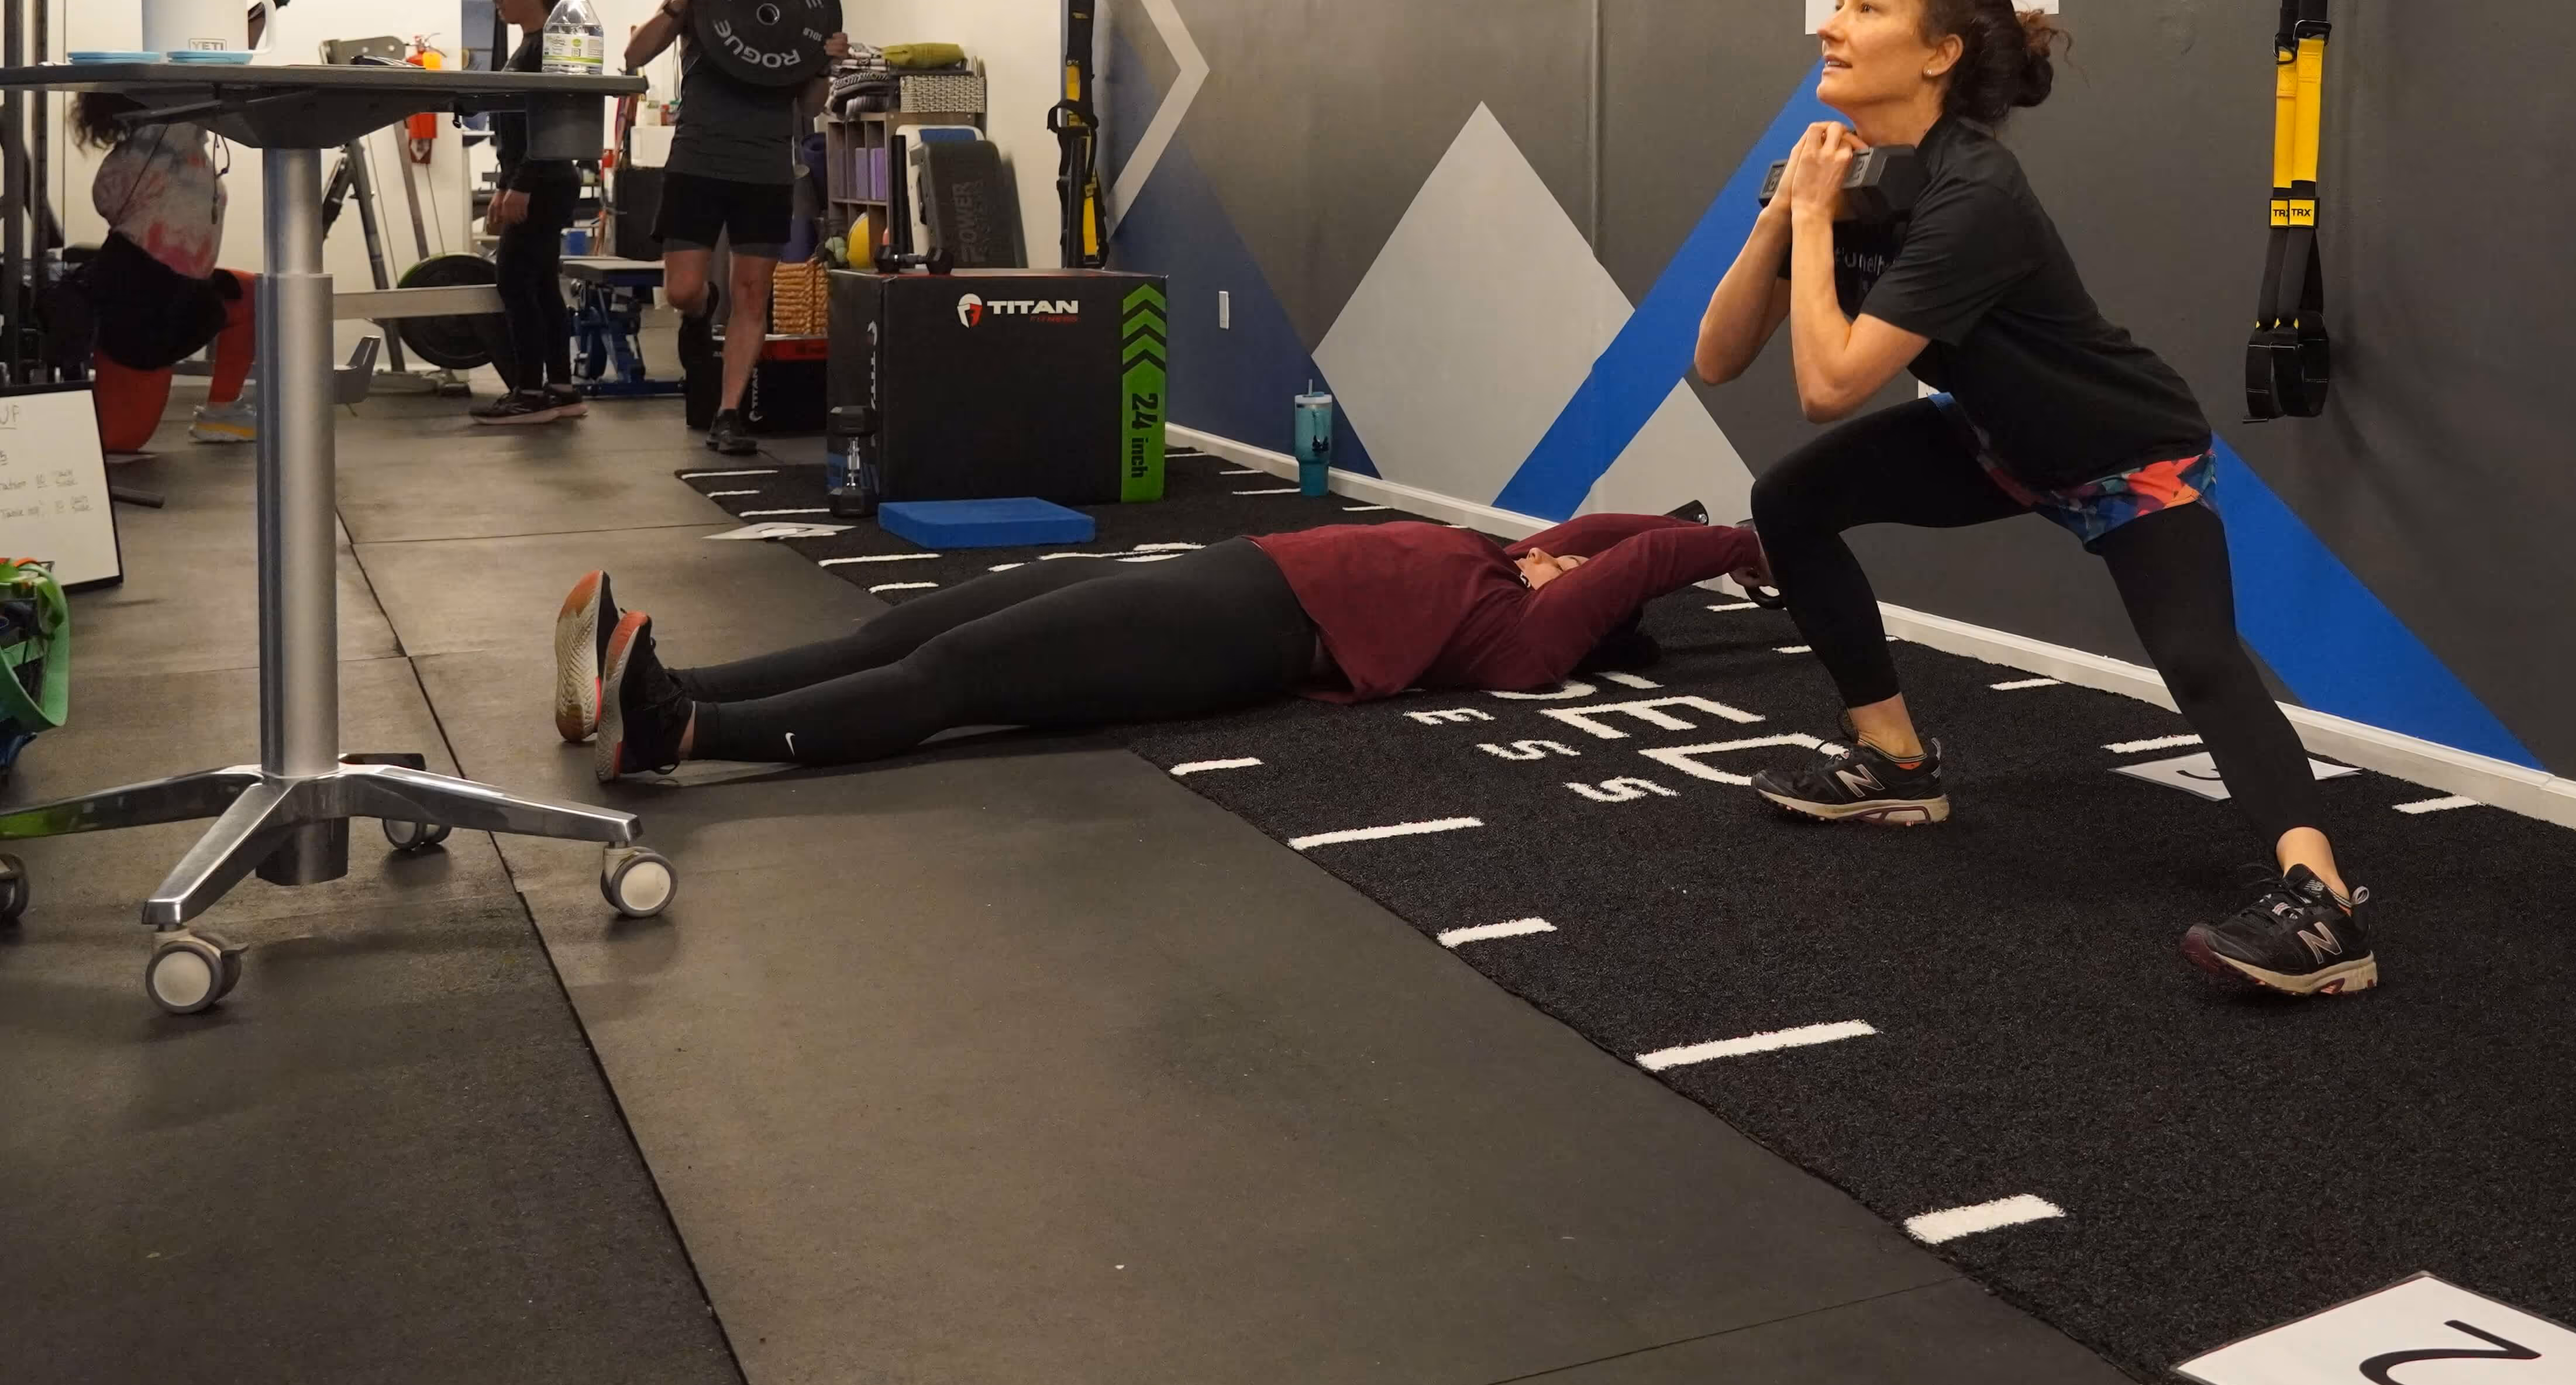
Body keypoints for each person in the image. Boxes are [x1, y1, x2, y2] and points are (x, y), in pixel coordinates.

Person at [1692, 0, 2377, 998]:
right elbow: (1717, 356)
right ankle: (1895, 762)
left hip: (2123, 452)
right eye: (1837, 3)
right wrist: (1783, 216)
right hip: (2001, 442)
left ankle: (2323, 905)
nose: (1827, 26)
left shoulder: (1976, 195)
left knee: (2197, 658)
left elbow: (1829, 385)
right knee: (1791, 500)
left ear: (1938, 54)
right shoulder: (1851, 173)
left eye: (1864, 8)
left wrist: (1816, 223)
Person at [552, 511, 1763, 777]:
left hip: (1233, 630)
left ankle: (682, 731)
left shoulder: (1518, 633)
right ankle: (666, 682)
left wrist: (1758, 545)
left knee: (956, 678)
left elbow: (1638, 562)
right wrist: (1672, 526)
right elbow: (1625, 530)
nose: (1564, 551)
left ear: (1585, 603)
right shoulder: (1507, 560)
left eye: (1578, 571)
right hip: (1213, 578)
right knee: (915, 620)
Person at [617, 0, 843, 456]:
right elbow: (633, 55)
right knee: (685, 290)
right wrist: (675, 2)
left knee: (752, 293)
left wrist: (826, 63)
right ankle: (699, 313)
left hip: (765, 165)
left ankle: (728, 412)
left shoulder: (796, 6)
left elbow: (808, 105)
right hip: (698, 159)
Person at [67, 97, 257, 449]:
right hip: (139, 299)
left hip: (185, 290)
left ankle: (222, 414)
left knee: (251, 295)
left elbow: (105, 202)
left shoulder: (188, 149)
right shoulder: (157, 142)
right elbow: (106, 200)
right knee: (119, 441)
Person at [470, 0, 586, 426]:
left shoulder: (551, 46)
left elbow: (551, 127)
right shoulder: (529, 45)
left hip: (546, 181)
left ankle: (530, 392)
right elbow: (520, 128)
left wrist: (521, 186)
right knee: (539, 285)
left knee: (515, 283)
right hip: (538, 181)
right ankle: (559, 388)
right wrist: (506, 184)